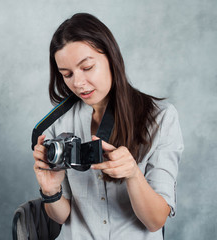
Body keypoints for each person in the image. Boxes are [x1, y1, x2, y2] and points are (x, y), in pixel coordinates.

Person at [32, 13, 183, 240]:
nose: (78, 84)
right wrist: (50, 191)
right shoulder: (58, 124)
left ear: (111, 58)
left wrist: (133, 174)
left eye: (87, 67)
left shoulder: (161, 118)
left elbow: (155, 221)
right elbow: (62, 217)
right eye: (67, 74)